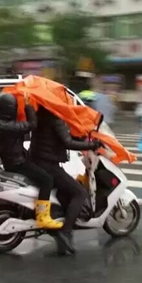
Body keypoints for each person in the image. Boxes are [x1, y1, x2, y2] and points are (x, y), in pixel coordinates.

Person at [30, 106, 102, 255]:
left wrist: (81, 138)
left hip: (38, 161)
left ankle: (59, 226)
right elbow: (67, 142)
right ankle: (66, 231)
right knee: (80, 193)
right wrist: (91, 145)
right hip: (49, 165)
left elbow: (60, 137)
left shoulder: (41, 114)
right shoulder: (55, 117)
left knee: (65, 192)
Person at [0, 93, 62, 230]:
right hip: (17, 163)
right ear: (10, 109)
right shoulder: (6, 126)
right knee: (47, 180)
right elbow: (31, 125)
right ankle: (43, 217)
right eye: (15, 108)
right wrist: (29, 105)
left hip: (14, 158)